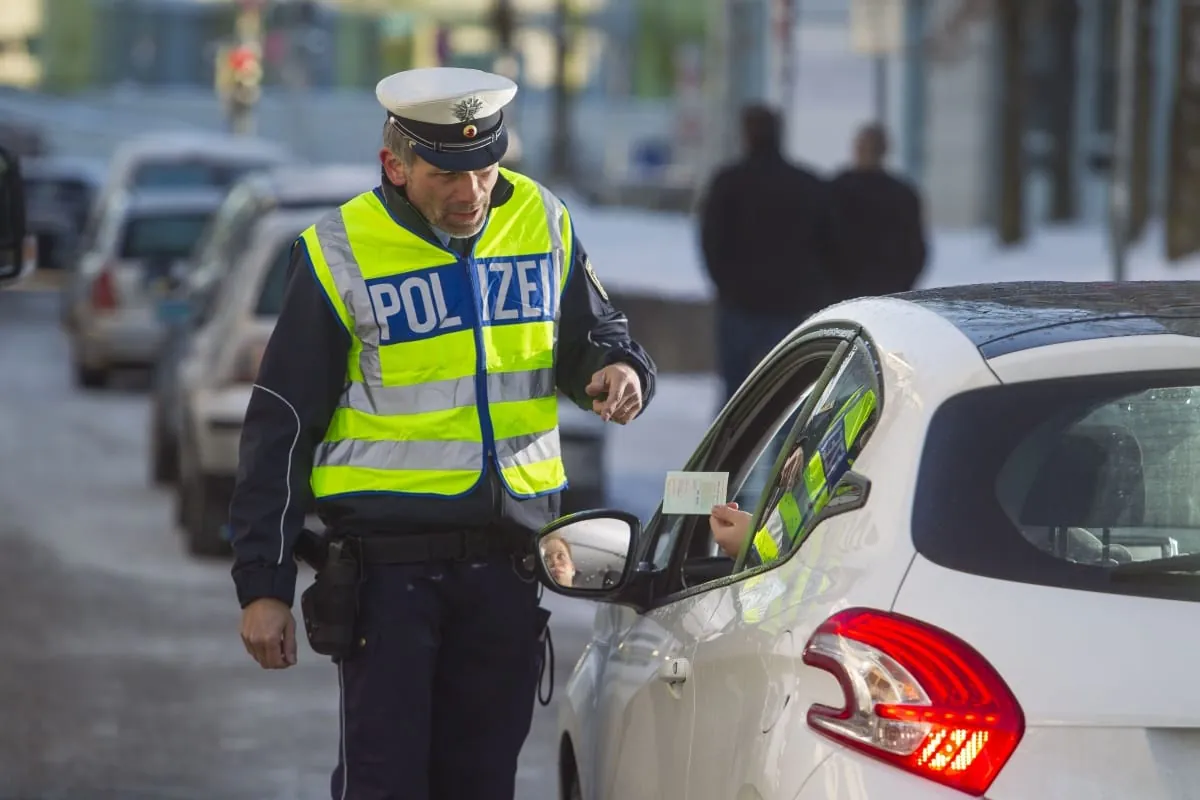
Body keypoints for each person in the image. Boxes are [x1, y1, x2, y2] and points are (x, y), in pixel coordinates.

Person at [229, 66, 658, 800]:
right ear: (393, 165)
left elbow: (596, 335)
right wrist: (261, 585)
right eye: (446, 176)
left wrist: (618, 369)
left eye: (486, 172)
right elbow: (282, 426)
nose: (471, 195)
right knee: (385, 783)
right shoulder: (341, 251)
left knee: (481, 784)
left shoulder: (542, 220)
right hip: (389, 578)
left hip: (507, 570)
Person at [698, 103, 835, 407]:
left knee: (734, 395)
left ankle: (730, 454)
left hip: (739, 303)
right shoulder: (807, 184)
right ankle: (781, 454)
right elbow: (828, 245)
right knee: (785, 399)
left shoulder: (729, 182)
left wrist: (725, 285)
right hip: (789, 305)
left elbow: (711, 241)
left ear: (746, 136)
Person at [828, 123, 928, 299]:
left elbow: (914, 248)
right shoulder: (901, 193)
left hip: (875, 290)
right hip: (858, 289)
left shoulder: (835, 189)